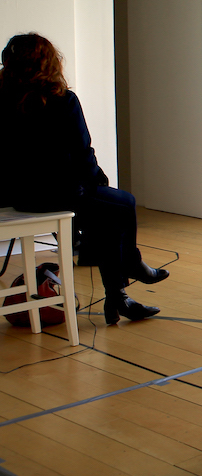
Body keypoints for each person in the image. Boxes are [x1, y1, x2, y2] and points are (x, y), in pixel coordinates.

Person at [0, 33, 169, 325]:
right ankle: (129, 271)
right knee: (123, 203)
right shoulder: (62, 100)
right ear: (49, 63)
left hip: (11, 196)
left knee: (107, 211)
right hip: (57, 194)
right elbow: (82, 153)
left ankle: (120, 296)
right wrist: (99, 182)